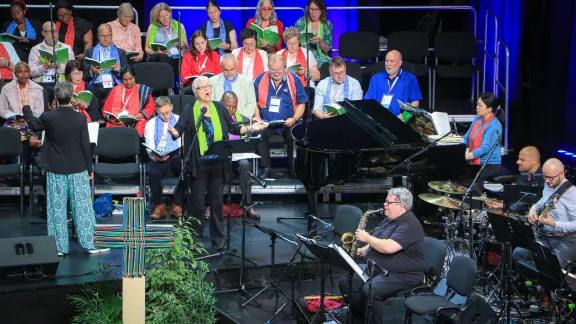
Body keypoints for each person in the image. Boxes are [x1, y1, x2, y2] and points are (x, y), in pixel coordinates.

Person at [167, 76, 267, 249]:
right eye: (203, 87)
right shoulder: (190, 109)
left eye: (209, 86)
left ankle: (218, 239)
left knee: (216, 204)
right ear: (196, 91)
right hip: (199, 164)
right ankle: (195, 240)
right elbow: (180, 129)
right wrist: (174, 133)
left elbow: (233, 128)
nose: (207, 90)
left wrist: (252, 128)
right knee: (197, 204)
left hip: (217, 164)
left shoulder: (219, 107)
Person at [22, 82, 109, 256]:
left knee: (57, 209)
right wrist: (89, 168)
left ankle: (59, 247)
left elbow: (33, 125)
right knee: (83, 208)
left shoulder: (48, 117)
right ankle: (90, 244)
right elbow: (86, 145)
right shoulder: (79, 118)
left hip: (56, 169)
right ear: (71, 98)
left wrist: (26, 108)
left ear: (55, 98)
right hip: (78, 169)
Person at [339, 187, 425, 324]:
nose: (384, 205)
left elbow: (388, 247)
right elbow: (378, 238)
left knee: (370, 291)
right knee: (346, 282)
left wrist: (366, 238)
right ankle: (362, 318)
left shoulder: (410, 225)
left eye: (388, 202)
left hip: (404, 275)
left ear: (401, 206)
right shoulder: (390, 219)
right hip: (379, 268)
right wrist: (362, 250)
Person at [513, 158, 576, 274]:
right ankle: (538, 286)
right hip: (546, 237)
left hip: (566, 240)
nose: (547, 181)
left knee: (551, 264)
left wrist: (555, 224)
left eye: (550, 178)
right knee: (518, 253)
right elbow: (544, 200)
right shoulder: (549, 184)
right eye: (544, 177)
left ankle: (548, 286)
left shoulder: (572, 194)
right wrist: (534, 208)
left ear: (562, 174)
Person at [253, 54, 308, 179]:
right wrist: (257, 118)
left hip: (289, 122)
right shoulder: (260, 80)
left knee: (294, 135)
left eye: (279, 69)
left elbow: (302, 103)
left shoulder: (293, 80)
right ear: (268, 68)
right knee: (259, 134)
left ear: (285, 67)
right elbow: (254, 102)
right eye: (273, 70)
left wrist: (294, 118)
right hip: (267, 123)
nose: (276, 72)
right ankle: (265, 169)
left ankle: (293, 168)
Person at [221, 91, 260, 219]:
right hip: (221, 157)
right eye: (228, 106)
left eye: (234, 106)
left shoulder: (243, 120)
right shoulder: (216, 119)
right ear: (221, 104)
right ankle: (214, 204)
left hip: (238, 157)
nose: (231, 110)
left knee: (245, 164)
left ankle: (247, 204)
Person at [143, 96, 184, 219]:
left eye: (168, 112)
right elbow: (149, 145)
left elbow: (184, 140)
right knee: (153, 170)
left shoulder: (179, 120)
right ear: (156, 111)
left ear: (171, 107)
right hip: (159, 157)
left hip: (176, 156)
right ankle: (159, 205)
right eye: (162, 113)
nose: (166, 116)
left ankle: (176, 204)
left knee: (187, 170)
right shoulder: (150, 124)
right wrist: (156, 157)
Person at [462, 92, 505, 199]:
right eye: (477, 104)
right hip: (477, 162)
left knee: (467, 179)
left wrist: (466, 156)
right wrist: (454, 148)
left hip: (489, 164)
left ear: (489, 108)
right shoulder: (477, 120)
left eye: (480, 105)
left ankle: (474, 206)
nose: (477, 107)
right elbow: (466, 139)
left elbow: (484, 148)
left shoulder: (494, 125)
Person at [0, 62, 44, 164]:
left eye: (26, 71)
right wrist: (15, 116)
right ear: (15, 73)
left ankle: (24, 165)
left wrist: (28, 117)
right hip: (13, 122)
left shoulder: (37, 89)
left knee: (28, 132)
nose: (23, 75)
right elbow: (2, 109)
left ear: (30, 73)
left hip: (31, 121)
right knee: (13, 133)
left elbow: (40, 110)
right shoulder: (6, 88)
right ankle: (17, 165)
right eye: (20, 72)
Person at [364, 50, 422, 117]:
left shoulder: (410, 78)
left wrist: (403, 117)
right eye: (386, 61)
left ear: (400, 63)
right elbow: (367, 102)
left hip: (401, 121)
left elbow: (415, 103)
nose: (388, 64)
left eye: (392, 61)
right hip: (379, 120)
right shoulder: (375, 78)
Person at [486, 146, 544, 210]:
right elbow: (518, 201)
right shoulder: (522, 177)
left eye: (522, 159)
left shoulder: (546, 179)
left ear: (534, 161)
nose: (517, 162)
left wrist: (507, 206)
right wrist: (502, 205)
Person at [101, 66, 154, 136]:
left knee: (140, 126)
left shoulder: (143, 89)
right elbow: (106, 109)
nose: (128, 82)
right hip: (117, 122)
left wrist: (138, 116)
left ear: (135, 77)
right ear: (121, 80)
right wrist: (112, 120)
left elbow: (150, 107)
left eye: (130, 79)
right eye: (125, 80)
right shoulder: (116, 89)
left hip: (136, 120)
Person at [84, 23, 128, 105]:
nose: (106, 38)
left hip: (113, 84)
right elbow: (84, 73)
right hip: (96, 84)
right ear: (98, 36)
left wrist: (120, 70)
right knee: (89, 91)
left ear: (112, 35)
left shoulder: (120, 52)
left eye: (108, 35)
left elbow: (127, 73)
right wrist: (92, 71)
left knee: (116, 91)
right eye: (102, 36)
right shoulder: (90, 52)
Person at [210, 53, 256, 118]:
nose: (229, 73)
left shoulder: (247, 81)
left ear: (237, 66)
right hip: (219, 119)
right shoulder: (212, 82)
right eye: (226, 70)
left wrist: (239, 118)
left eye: (232, 69)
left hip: (241, 120)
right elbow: (210, 104)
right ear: (221, 68)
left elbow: (251, 104)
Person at [295, 0, 333, 68]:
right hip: (303, 54)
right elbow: (294, 41)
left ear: (322, 10)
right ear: (308, 10)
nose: (314, 13)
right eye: (311, 9)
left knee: (325, 65)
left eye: (317, 9)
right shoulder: (301, 22)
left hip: (320, 56)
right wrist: (299, 41)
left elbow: (327, 49)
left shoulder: (327, 24)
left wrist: (320, 41)